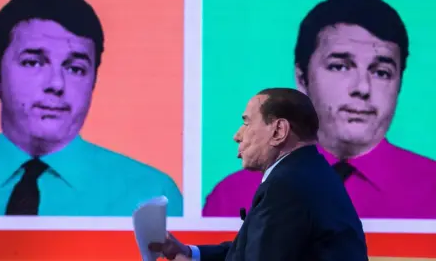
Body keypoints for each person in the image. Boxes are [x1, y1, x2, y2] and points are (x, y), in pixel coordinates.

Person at [203, 0, 436, 219]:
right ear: (302, 78)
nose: (362, 88)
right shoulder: (233, 195)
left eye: (382, 72)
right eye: (340, 67)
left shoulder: (431, 189)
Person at [0, 0, 182, 216]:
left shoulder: (152, 197)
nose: (56, 83)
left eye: (75, 69)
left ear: (93, 81)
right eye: (33, 63)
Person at [149, 88, 368, 261]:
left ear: (279, 131)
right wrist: (189, 253)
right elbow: (248, 250)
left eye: (246, 122)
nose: (237, 135)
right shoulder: (306, 173)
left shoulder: (288, 186)